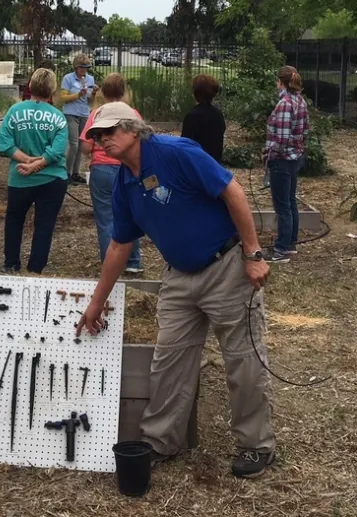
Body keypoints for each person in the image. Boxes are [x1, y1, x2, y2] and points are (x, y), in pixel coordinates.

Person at [76, 102, 276, 480]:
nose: (103, 141)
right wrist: (96, 303)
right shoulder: (124, 181)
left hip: (227, 267)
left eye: (109, 133)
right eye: (98, 136)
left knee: (243, 359)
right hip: (180, 276)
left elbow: (232, 190)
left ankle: (256, 445)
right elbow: (120, 245)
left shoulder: (175, 152)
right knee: (168, 362)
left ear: (134, 130)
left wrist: (253, 253)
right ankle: (160, 441)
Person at [0, 67, 69, 274]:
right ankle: (36, 268)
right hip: (52, 179)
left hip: (20, 178)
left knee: (14, 220)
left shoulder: (14, 111)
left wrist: (26, 161)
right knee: (44, 225)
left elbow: (4, 143)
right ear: (52, 90)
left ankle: (11, 263)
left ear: (30, 86)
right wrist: (37, 163)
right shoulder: (58, 117)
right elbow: (57, 151)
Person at [80, 73, 144, 273]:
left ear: (103, 92)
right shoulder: (132, 114)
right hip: (127, 168)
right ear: (123, 91)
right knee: (131, 214)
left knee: (106, 217)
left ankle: (111, 265)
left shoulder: (96, 114)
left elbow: (85, 147)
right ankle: (133, 262)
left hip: (101, 169)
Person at [264, 65, 309, 263]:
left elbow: (281, 140)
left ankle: (281, 250)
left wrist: (269, 153)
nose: (276, 85)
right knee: (290, 202)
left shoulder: (285, 104)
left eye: (277, 81)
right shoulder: (300, 101)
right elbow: (305, 132)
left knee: (282, 205)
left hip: (282, 161)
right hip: (295, 158)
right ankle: (290, 244)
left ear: (281, 82)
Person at [59, 54, 99, 184]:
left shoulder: (90, 79)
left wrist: (93, 93)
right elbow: (63, 98)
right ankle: (66, 173)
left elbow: (90, 101)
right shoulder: (68, 78)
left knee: (82, 145)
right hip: (71, 114)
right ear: (76, 67)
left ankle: (75, 173)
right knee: (74, 144)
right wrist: (77, 95)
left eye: (86, 67)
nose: (84, 70)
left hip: (84, 114)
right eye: (81, 67)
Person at [181, 74, 226, 163]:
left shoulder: (192, 116)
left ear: (195, 93)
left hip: (197, 164)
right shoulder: (218, 115)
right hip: (215, 164)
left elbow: (185, 144)